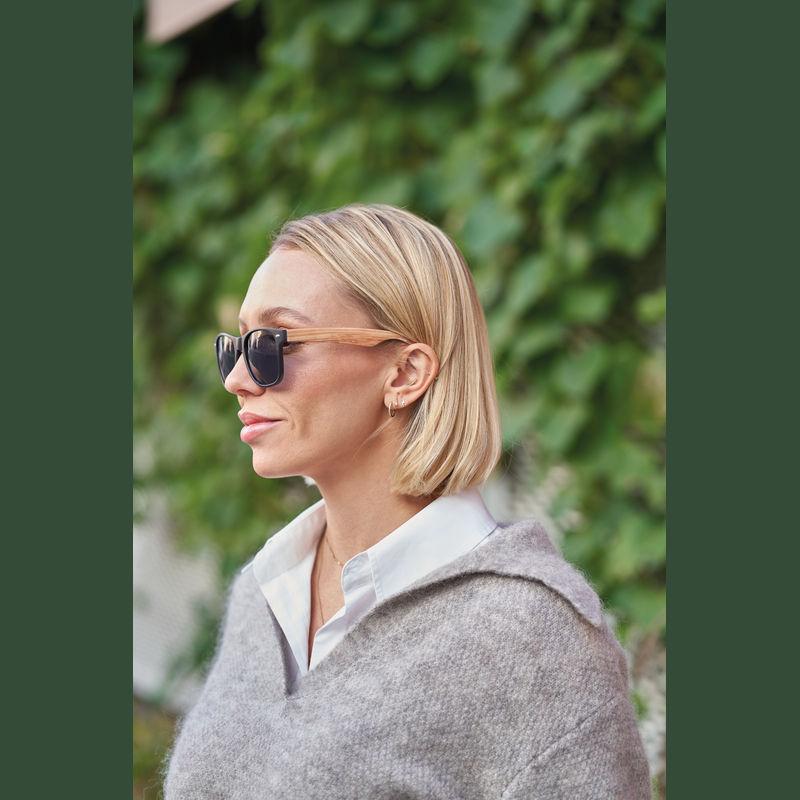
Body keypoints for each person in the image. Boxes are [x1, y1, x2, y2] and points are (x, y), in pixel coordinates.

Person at [162, 203, 651, 799]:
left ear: (404, 373)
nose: (237, 378)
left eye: (273, 343)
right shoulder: (265, 591)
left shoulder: (534, 638)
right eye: (235, 346)